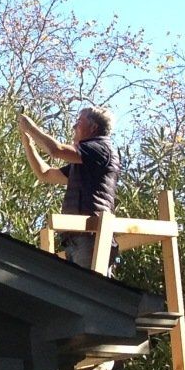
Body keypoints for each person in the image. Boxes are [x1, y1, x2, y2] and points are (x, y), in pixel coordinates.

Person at [19, 106, 120, 268]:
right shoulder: (85, 161)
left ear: (93, 127)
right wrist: (28, 143)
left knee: (90, 289)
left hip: (91, 236)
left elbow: (56, 150)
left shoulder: (100, 149)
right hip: (78, 238)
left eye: (79, 122)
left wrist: (30, 128)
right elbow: (45, 174)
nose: (74, 127)